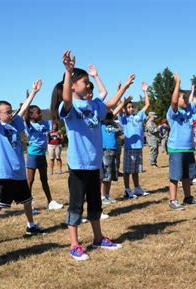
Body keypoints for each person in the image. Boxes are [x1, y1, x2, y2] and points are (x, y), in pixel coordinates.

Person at [54, 50, 132, 261]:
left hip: (93, 163)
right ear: (72, 85)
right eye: (84, 82)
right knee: (76, 206)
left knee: (95, 204)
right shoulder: (69, 106)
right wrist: (68, 72)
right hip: (78, 165)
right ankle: (74, 244)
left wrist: (125, 86)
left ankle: (98, 238)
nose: (88, 85)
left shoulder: (93, 104)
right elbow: (67, 99)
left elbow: (110, 104)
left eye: (89, 82)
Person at [0, 74, 45, 249]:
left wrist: (34, 92)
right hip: (6, 173)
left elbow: (23, 109)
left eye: (10, 111)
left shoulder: (15, 124)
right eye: (7, 112)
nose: (10, 113)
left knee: (27, 201)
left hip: (19, 172)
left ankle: (31, 226)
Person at [166, 71, 196, 210]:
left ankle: (188, 197)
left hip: (188, 148)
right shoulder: (173, 112)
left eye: (185, 98)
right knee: (175, 176)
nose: (184, 100)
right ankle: (173, 200)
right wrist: (177, 83)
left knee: (187, 175)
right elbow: (173, 101)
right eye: (182, 98)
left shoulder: (189, 110)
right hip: (176, 148)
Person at [21, 101, 64, 211]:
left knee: (44, 180)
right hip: (32, 155)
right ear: (31, 115)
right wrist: (26, 107)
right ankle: (28, 205)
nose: (40, 114)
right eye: (38, 112)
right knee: (30, 181)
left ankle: (50, 202)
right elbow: (25, 118)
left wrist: (57, 100)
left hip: (41, 155)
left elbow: (55, 118)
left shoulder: (45, 123)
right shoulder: (29, 125)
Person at [119, 82, 152, 199]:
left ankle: (137, 188)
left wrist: (145, 91)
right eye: (128, 107)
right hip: (129, 148)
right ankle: (127, 189)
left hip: (139, 147)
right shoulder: (124, 119)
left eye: (132, 106)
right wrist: (119, 90)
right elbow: (119, 107)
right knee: (127, 170)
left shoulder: (138, 116)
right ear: (125, 109)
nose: (131, 108)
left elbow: (147, 105)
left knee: (136, 170)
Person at [100, 110, 123, 211]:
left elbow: (120, 131)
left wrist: (112, 120)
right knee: (106, 175)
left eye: (110, 117)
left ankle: (107, 195)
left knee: (111, 175)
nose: (108, 119)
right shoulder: (100, 125)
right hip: (105, 151)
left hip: (114, 150)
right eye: (107, 117)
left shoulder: (114, 125)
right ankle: (102, 196)